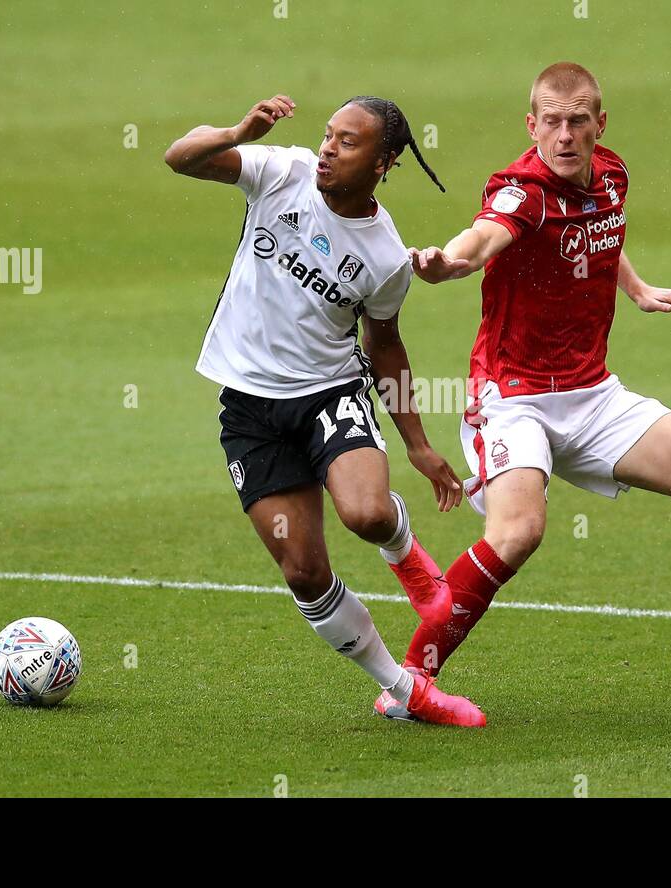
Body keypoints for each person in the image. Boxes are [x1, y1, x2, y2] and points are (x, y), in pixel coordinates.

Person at [378, 64, 671, 720]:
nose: (564, 136)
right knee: (519, 532)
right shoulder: (522, 191)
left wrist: (639, 288)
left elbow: (597, 230)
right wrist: (449, 262)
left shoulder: (611, 174)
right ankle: (407, 686)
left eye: (578, 122)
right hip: (511, 399)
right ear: (531, 125)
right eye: (551, 123)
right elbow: (484, 238)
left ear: (599, 125)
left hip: (591, 394)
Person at [165, 93, 484, 726]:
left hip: (329, 395)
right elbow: (180, 158)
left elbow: (385, 346)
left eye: (348, 142)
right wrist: (237, 130)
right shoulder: (279, 173)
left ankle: (404, 555)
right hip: (251, 411)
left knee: (365, 512)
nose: (327, 150)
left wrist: (418, 444)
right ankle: (405, 689)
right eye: (328, 135)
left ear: (384, 161)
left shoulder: (388, 257)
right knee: (305, 571)